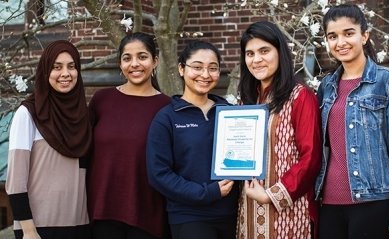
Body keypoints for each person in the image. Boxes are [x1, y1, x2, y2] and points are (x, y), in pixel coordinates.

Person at [315, 4, 389, 239]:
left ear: (364, 35)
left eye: (348, 33)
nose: (341, 42)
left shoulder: (388, 81)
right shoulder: (326, 87)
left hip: (373, 203)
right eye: (333, 36)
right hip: (328, 205)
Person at [236, 21, 322, 239]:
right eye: (250, 53)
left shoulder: (300, 96)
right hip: (249, 206)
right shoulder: (246, 100)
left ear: (279, 52)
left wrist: (271, 195)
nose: (256, 60)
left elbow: (310, 158)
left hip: (289, 209)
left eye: (264, 51)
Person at [146, 40, 239, 239]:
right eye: (197, 67)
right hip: (189, 217)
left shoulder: (231, 115)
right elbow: (159, 174)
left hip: (232, 215)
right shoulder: (167, 118)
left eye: (212, 68)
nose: (205, 75)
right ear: (181, 69)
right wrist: (207, 192)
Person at [87, 32, 171, 239]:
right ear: (120, 63)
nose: (135, 64)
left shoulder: (168, 107)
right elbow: (83, 150)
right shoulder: (102, 100)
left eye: (142, 57)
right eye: (127, 58)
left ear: (155, 61)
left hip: (148, 214)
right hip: (101, 210)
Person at [6, 40, 92, 239]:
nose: (65, 74)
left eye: (72, 67)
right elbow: (15, 182)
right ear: (45, 72)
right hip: (38, 229)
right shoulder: (28, 114)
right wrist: (28, 231)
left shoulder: (84, 117)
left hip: (80, 226)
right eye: (56, 67)